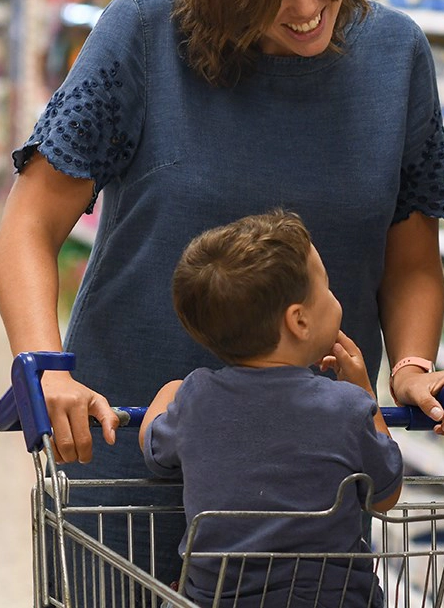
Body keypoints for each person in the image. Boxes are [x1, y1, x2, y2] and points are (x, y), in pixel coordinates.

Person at [0, 0, 444, 585]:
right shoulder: (144, 32)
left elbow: (410, 258)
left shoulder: (395, 55)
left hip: (308, 498)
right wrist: (43, 366)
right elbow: (29, 225)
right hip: (129, 463)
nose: (308, 8)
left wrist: (411, 368)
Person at [140, 209, 402, 608]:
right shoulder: (346, 406)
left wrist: (171, 390)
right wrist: (364, 391)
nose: (335, 298)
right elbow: (385, 494)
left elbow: (154, 448)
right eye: (327, 290)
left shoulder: (196, 397)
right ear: (299, 321)